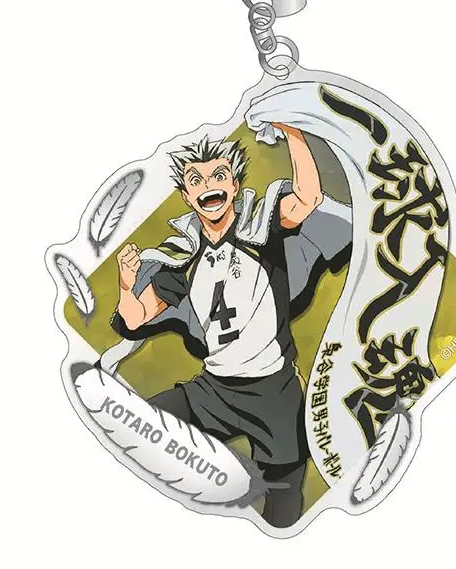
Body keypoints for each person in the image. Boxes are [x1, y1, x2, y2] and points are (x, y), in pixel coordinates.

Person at [109, 127, 327, 527]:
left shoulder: (260, 229)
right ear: (187, 196)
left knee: (283, 509)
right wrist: (126, 284)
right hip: (214, 390)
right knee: (138, 426)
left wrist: (292, 128)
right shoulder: (182, 257)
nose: (208, 186)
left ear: (234, 185)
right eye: (196, 180)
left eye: (218, 176)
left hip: (274, 394)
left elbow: (308, 198)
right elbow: (136, 317)